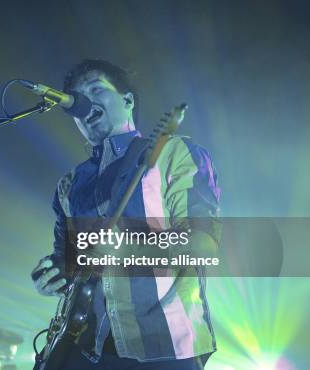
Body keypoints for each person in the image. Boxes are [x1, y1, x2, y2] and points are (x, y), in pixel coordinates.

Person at [31, 60, 221, 369]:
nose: (83, 102)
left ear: (128, 101)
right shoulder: (70, 185)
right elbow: (69, 260)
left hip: (163, 349)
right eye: (76, 97)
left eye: (95, 89)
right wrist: (53, 274)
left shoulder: (174, 155)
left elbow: (202, 245)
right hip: (85, 348)